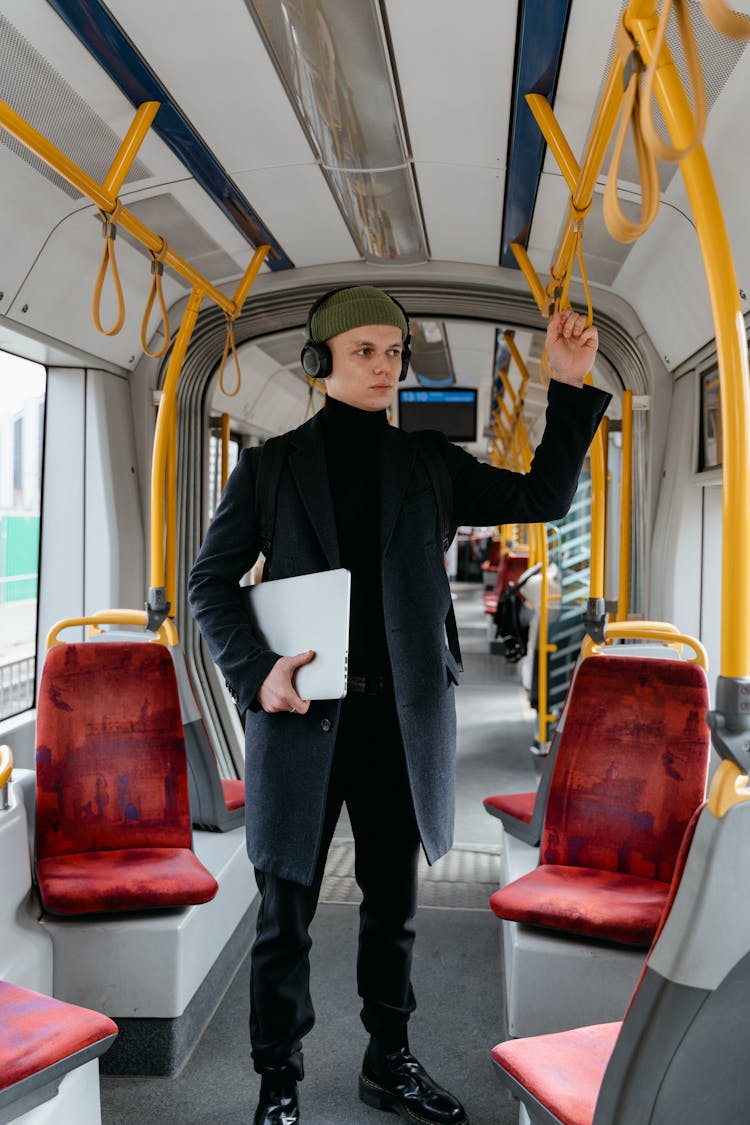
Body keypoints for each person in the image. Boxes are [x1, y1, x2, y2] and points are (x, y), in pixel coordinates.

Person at [188, 286, 610, 1125]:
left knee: (393, 908)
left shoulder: (429, 464)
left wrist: (569, 384)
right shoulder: (268, 468)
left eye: (394, 352)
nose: (385, 366)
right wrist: (258, 671)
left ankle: (390, 1060)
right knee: (286, 917)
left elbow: (544, 498)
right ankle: (277, 1078)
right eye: (365, 353)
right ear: (322, 366)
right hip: (302, 718)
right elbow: (211, 583)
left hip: (400, 721)